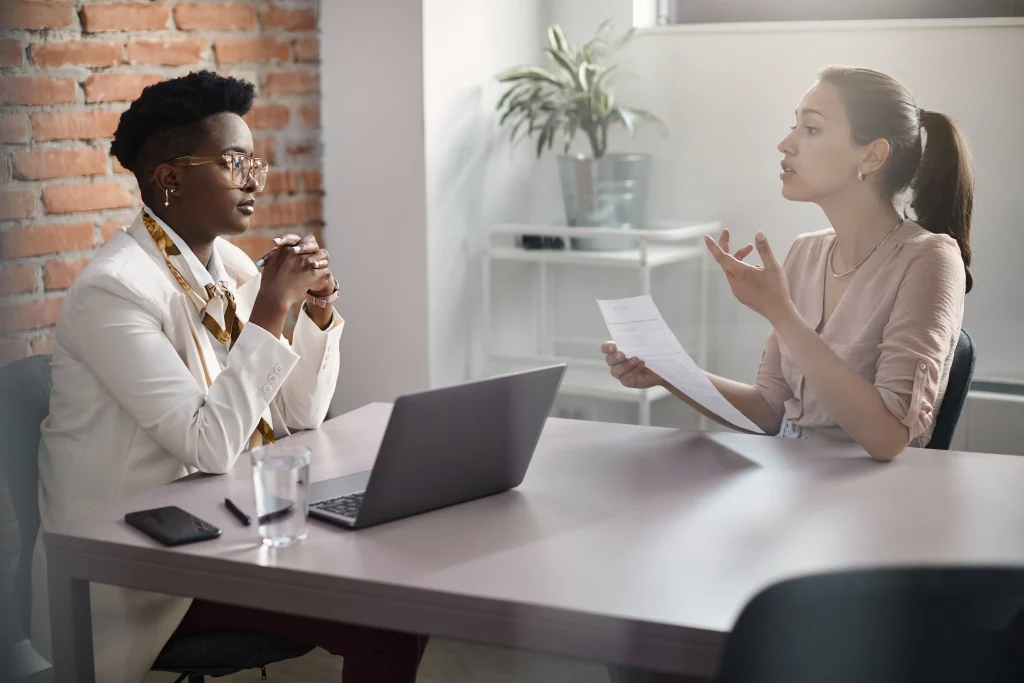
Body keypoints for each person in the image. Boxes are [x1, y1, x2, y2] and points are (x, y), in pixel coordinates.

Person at [29, 71, 425, 682]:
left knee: (399, 577)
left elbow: (299, 416)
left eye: (254, 162)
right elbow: (209, 444)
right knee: (385, 614)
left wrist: (312, 309)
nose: (252, 180)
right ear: (170, 179)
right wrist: (270, 309)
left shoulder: (232, 264)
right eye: (232, 161)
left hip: (226, 522)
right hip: (139, 566)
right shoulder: (113, 292)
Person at [607, 65, 972, 461]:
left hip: (869, 501)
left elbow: (887, 438)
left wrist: (779, 312)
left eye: (811, 129)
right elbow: (770, 410)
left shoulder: (930, 259)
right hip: (789, 481)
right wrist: (669, 372)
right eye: (793, 126)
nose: (785, 144)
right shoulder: (806, 252)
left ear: (871, 155)